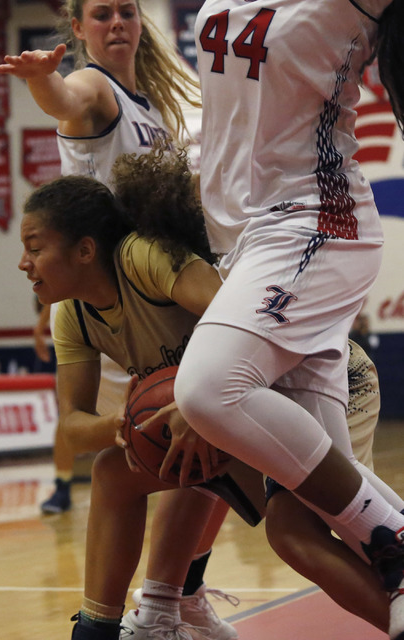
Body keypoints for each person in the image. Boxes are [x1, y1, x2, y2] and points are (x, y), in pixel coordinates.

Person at [20, 151, 399, 640]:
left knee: (298, 535)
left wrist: (198, 409)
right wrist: (120, 427)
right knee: (116, 470)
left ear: (86, 251)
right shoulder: (71, 315)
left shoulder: (142, 258)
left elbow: (253, 328)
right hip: (228, 417)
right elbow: (72, 427)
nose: (23, 262)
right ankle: (102, 630)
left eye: (35, 246)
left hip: (312, 380)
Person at [168, 2, 404, 640]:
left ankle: (398, 535)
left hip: (314, 221)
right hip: (245, 245)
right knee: (299, 527)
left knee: (206, 389)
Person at [0, 0, 201, 515]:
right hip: (110, 297)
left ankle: (172, 589)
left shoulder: (150, 105)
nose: (118, 23)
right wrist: (44, 80)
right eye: (102, 14)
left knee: (190, 454)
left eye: (126, 11)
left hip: (150, 288)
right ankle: (159, 587)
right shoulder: (95, 85)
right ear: (79, 28)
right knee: (153, 449)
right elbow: (66, 100)